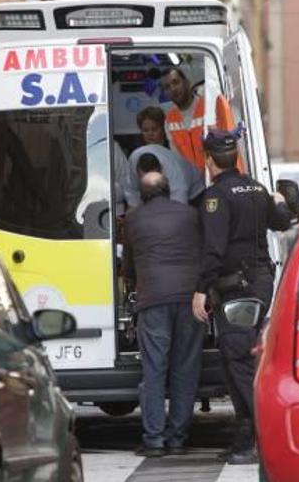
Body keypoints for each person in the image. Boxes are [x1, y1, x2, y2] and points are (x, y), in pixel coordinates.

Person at [191, 127, 294, 465]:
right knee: (235, 359)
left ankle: (263, 440)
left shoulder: (216, 197)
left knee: (238, 362)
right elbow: (282, 222)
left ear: (209, 160)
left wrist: (199, 290)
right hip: (258, 284)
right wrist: (279, 201)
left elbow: (213, 250)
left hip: (237, 287)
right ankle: (244, 439)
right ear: (233, 156)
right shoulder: (257, 188)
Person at [124, 172, 204, 458]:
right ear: (169, 190)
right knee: (185, 368)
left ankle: (154, 439)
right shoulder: (191, 215)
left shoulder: (133, 219)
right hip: (189, 299)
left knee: (154, 370)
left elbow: (129, 265)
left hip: (153, 300)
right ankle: (177, 437)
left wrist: (135, 284)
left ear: (142, 194)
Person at [161, 68, 237, 171]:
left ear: (186, 82)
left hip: (217, 174)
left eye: (176, 82)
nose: (173, 89)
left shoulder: (210, 108)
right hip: (192, 182)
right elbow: (177, 159)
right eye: (167, 87)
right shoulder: (169, 121)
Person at [124, 145, 205, 208]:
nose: (147, 187)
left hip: (195, 193)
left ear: (161, 171)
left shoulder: (176, 175)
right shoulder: (133, 161)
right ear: (137, 171)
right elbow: (131, 191)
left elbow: (178, 212)